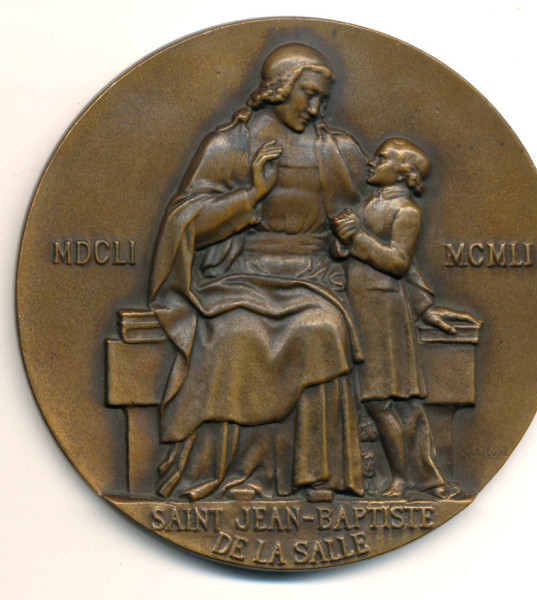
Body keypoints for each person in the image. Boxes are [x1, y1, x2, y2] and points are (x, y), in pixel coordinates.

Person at [148, 43, 369, 501]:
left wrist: (347, 238)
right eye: (308, 95)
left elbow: (363, 221)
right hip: (237, 280)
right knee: (234, 333)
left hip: (315, 282)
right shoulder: (230, 145)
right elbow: (184, 225)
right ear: (279, 88)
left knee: (321, 329)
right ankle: (234, 473)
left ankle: (312, 475)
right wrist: (251, 195)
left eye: (322, 100)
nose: (315, 109)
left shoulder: (338, 150)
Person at [331, 137, 480, 498]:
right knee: (380, 401)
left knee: (394, 400)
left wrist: (357, 238)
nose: (371, 162)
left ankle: (414, 479)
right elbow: (343, 251)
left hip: (383, 313)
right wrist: (340, 239)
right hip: (357, 308)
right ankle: (408, 477)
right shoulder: (368, 204)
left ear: (402, 172)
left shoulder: (407, 212)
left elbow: (399, 263)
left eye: (381, 158)